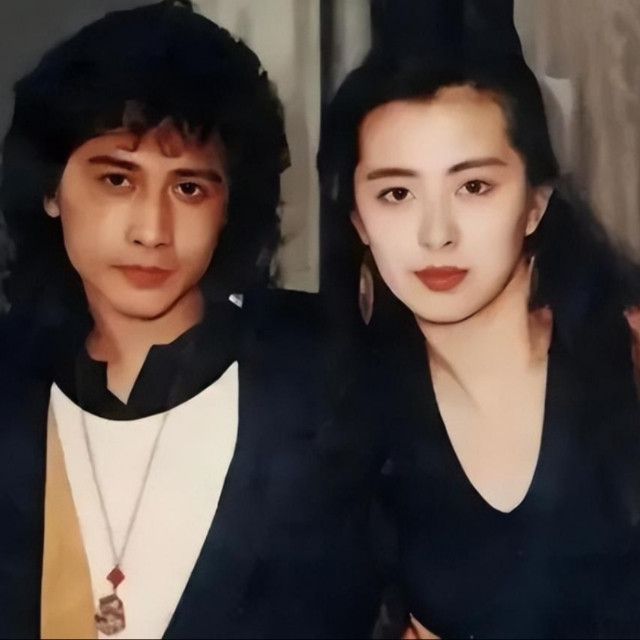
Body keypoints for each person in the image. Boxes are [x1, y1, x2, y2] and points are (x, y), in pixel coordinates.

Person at [0, 2, 385, 637]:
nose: (152, 230)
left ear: (230, 205)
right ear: (49, 189)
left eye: (189, 188)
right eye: (117, 180)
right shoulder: (12, 380)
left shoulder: (325, 373)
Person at [319, 46, 640, 639]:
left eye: (473, 186)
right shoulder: (354, 413)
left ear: (535, 204)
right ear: (358, 221)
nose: (436, 234)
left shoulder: (629, 356)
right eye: (397, 194)